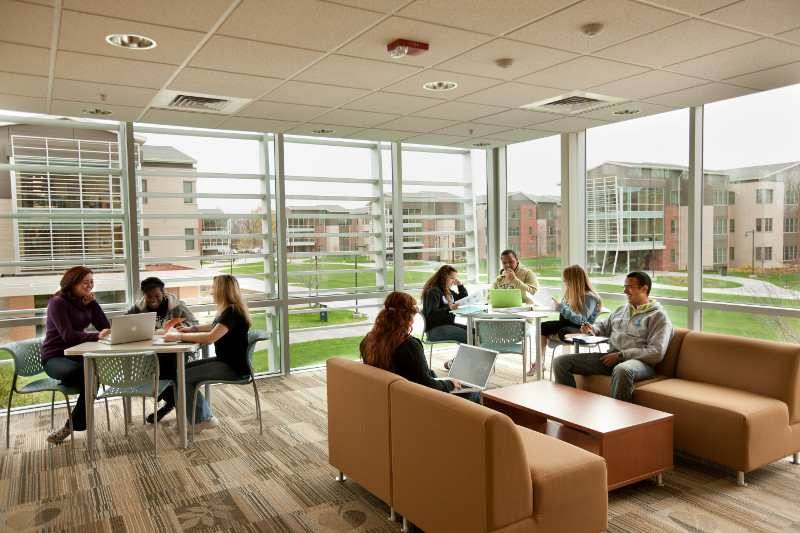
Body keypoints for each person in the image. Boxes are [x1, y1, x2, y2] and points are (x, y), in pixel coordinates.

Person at [552, 271, 672, 402]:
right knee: (560, 362)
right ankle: (571, 409)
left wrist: (621, 355)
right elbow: (603, 327)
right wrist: (591, 329)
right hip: (611, 359)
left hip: (641, 364)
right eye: (625, 287)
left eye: (630, 287)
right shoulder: (621, 310)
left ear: (644, 289)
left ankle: (620, 419)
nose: (625, 291)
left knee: (622, 370)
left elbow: (656, 352)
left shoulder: (658, 317)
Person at [164, 274, 251, 428]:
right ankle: (192, 417)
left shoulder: (231, 312)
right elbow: (215, 327)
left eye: (213, 288)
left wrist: (179, 336)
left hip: (232, 367)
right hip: (227, 361)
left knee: (183, 377)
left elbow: (211, 337)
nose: (211, 292)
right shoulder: (230, 310)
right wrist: (193, 329)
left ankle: (202, 419)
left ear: (221, 290)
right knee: (180, 372)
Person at [360, 292, 478, 402]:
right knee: (472, 393)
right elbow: (427, 386)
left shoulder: (368, 341)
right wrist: (450, 384)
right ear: (408, 317)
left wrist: (436, 379)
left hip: (390, 398)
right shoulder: (408, 345)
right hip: (415, 402)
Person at [41, 266, 111, 445]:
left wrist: (93, 304)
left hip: (77, 355)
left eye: (91, 282)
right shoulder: (57, 303)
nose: (89, 285)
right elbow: (68, 335)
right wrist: (96, 336)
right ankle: (72, 424)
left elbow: (104, 326)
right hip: (55, 357)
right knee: (88, 376)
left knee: (90, 375)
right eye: (85, 282)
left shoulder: (86, 301)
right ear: (72, 283)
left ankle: (70, 426)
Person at [127, 277, 198, 423]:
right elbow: (125, 325)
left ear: (163, 293)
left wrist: (181, 326)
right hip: (152, 354)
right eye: (149, 297)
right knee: (156, 371)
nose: (153, 300)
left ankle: (173, 405)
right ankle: (173, 403)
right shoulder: (137, 309)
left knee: (169, 371)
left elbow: (194, 324)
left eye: (157, 296)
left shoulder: (177, 307)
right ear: (143, 295)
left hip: (176, 352)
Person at [533, 265, 601, 376]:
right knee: (542, 326)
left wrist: (562, 308)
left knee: (563, 331)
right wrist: (555, 306)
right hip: (567, 324)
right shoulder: (571, 294)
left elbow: (581, 320)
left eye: (567, 280)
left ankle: (552, 336)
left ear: (574, 280)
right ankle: (539, 361)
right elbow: (565, 312)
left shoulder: (589, 297)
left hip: (581, 328)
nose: (565, 282)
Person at [421, 265, 468, 345]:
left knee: (475, 332)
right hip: (435, 330)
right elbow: (432, 315)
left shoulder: (447, 291)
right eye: (452, 278)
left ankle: (466, 357)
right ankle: (466, 357)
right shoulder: (433, 292)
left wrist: (460, 285)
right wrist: (449, 308)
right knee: (471, 336)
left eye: (455, 278)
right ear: (443, 278)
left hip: (448, 325)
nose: (454, 281)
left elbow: (463, 299)